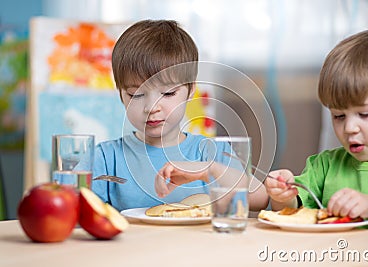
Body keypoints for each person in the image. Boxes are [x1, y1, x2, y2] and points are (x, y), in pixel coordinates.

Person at [92, 19, 268, 212]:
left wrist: (209, 170)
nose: (151, 107)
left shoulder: (210, 152)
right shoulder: (106, 158)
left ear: (190, 90)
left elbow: (260, 199)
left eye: (168, 94)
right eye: (136, 95)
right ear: (121, 95)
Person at [265, 30, 368, 234]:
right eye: (339, 116)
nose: (349, 128)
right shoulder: (325, 166)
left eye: (364, 114)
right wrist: (283, 196)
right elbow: (291, 212)